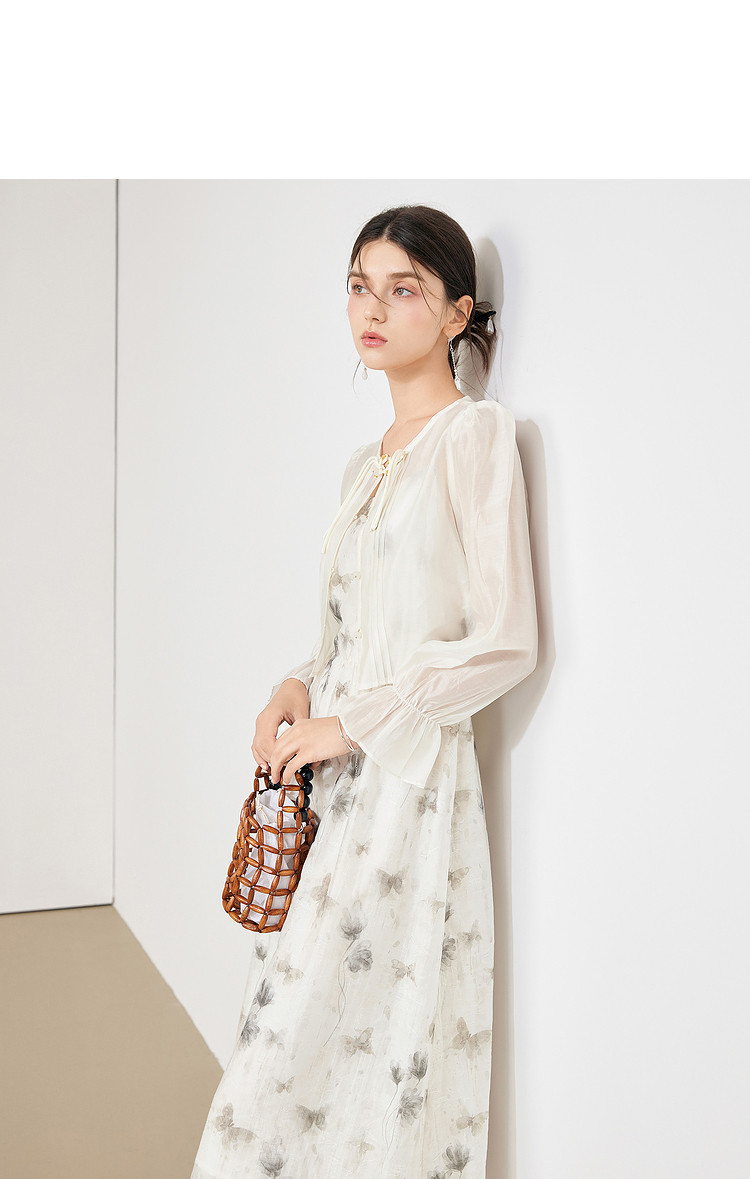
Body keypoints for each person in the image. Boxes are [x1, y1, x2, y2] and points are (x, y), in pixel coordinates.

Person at [190, 204, 538, 1179]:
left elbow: (507, 641)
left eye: (403, 289)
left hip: (407, 784)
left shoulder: (475, 438)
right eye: (359, 286)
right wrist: (295, 685)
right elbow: (351, 629)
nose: (372, 310)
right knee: (294, 1037)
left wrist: (358, 723)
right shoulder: (366, 462)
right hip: (332, 779)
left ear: (458, 312)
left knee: (362, 1051)